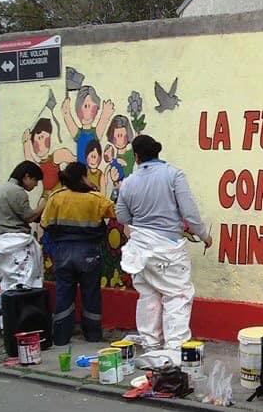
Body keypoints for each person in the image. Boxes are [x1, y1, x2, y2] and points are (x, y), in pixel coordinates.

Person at [115, 135, 212, 351]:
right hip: (168, 248)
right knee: (177, 295)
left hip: (139, 248)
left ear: (136, 156)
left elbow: (122, 217)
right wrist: (204, 236)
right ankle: (175, 349)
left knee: (148, 295)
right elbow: (189, 212)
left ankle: (150, 345)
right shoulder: (173, 174)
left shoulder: (129, 182)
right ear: (158, 152)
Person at [40, 162, 116, 346]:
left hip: (63, 253)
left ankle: (61, 336)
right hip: (89, 253)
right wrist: (94, 189)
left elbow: (44, 223)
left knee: (63, 293)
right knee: (91, 294)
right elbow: (114, 213)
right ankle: (93, 335)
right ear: (84, 176)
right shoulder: (95, 198)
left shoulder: (56, 197)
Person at [0, 161, 47, 293]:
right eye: (35, 180)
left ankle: (8, 311)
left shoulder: (1, 189)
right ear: (26, 177)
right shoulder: (18, 192)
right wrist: (44, 204)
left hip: (3, 241)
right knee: (23, 282)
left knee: (8, 282)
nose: (36, 185)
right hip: (17, 243)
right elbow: (29, 217)